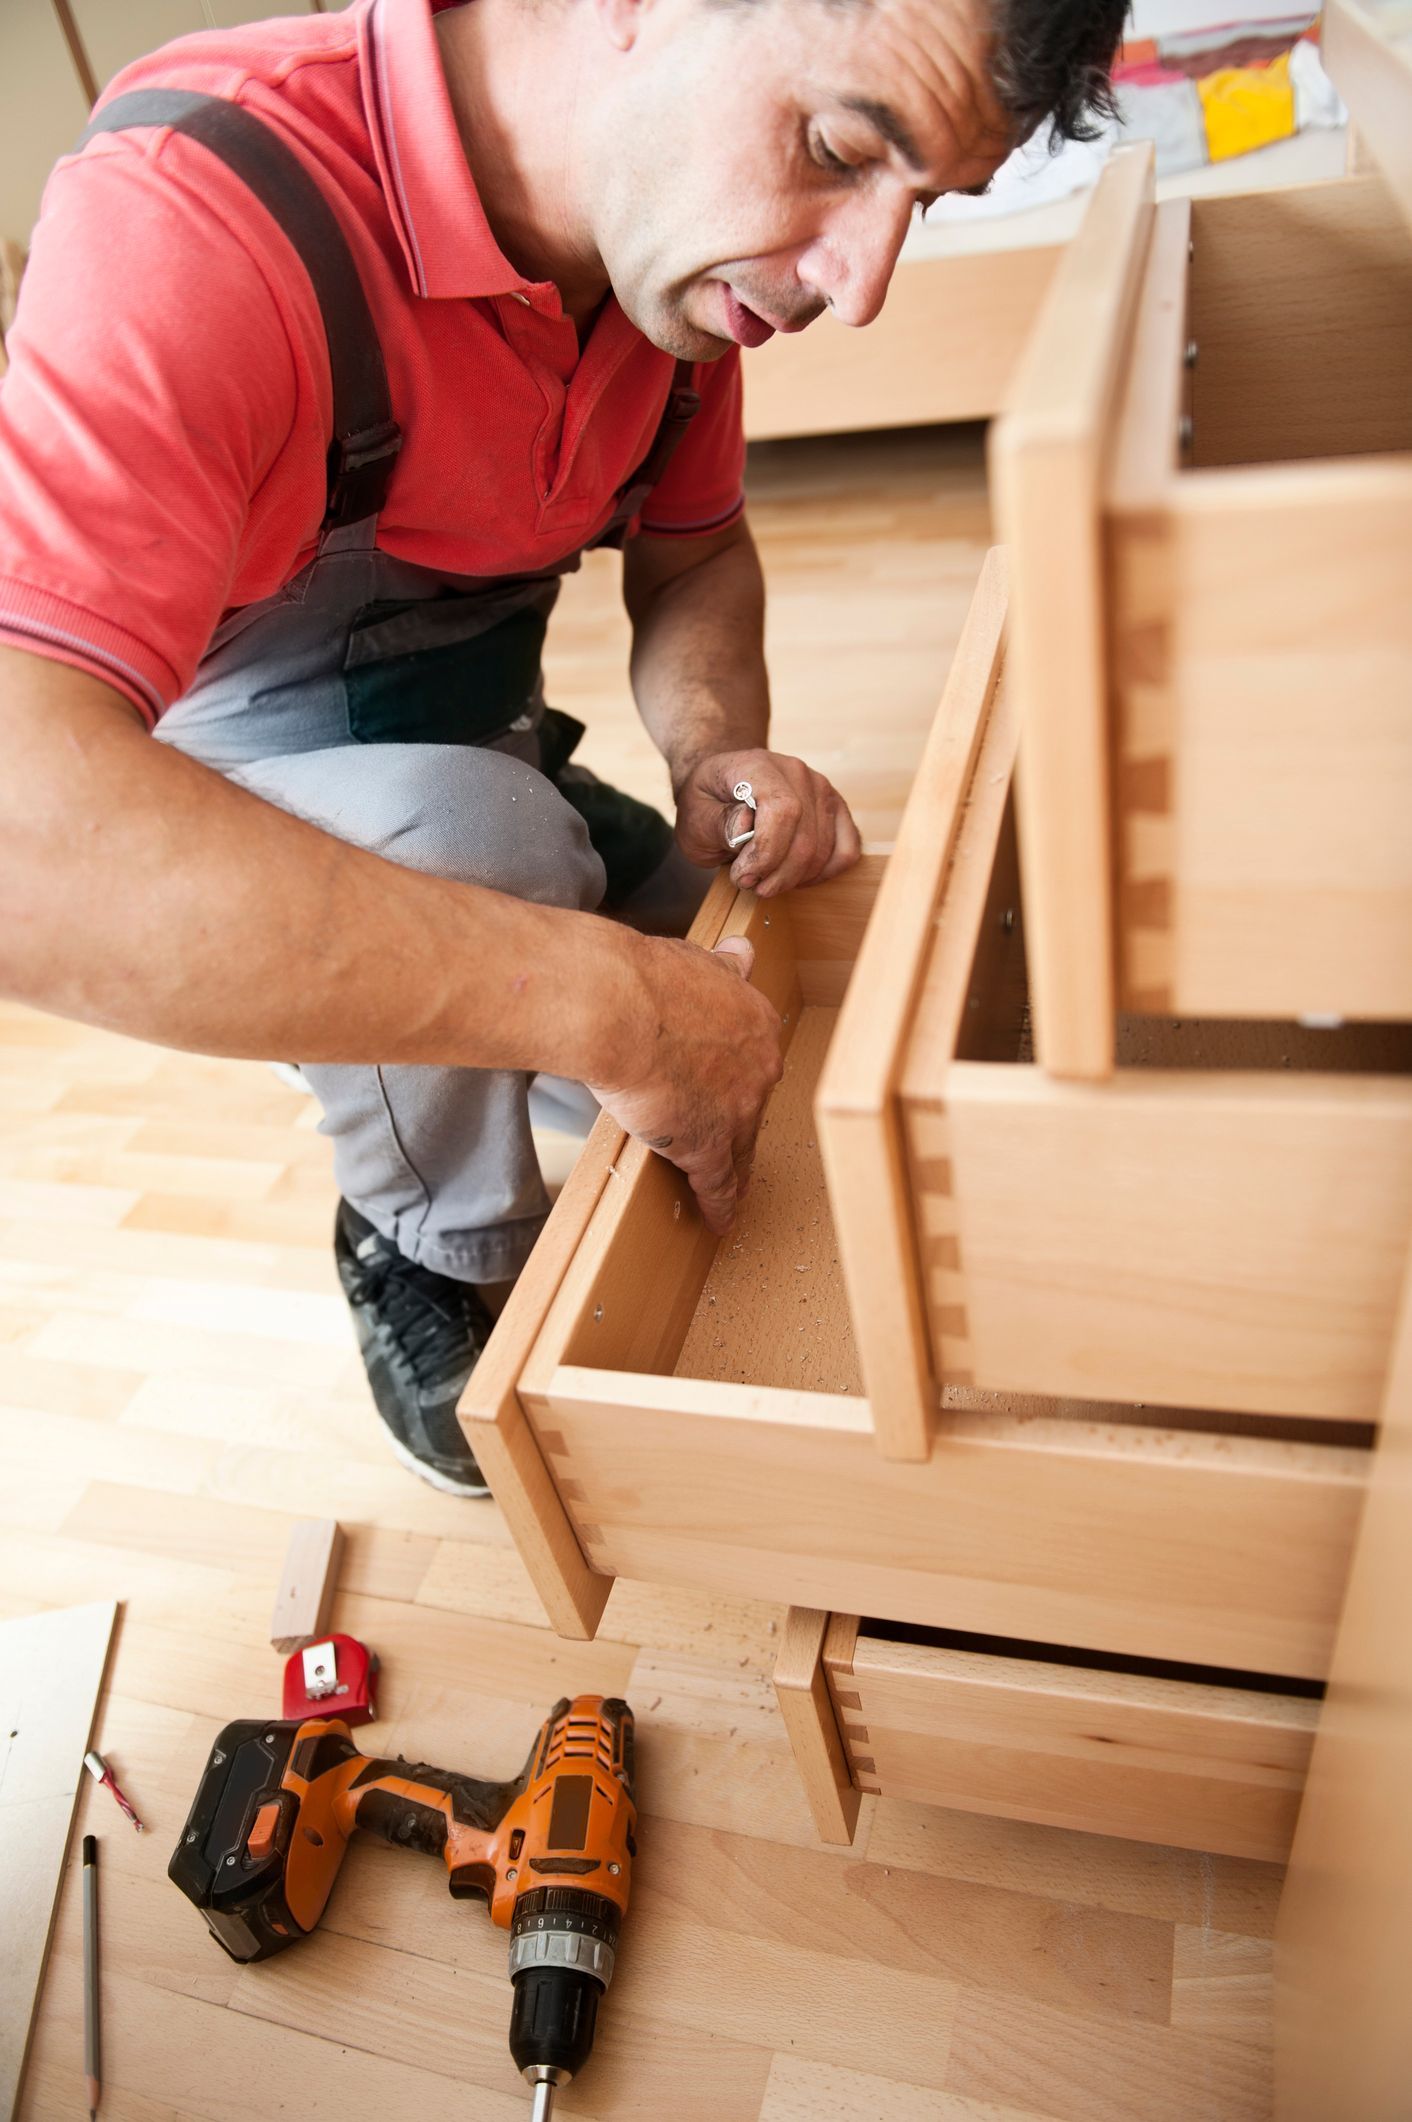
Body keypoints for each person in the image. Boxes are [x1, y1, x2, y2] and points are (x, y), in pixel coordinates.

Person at [0, 0, 1126, 1496]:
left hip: (475, 738)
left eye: (922, 207)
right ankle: (416, 1235)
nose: (858, 284)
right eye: (843, 151)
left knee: (742, 913)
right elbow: (26, 835)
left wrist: (716, 746)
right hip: (215, 801)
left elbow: (699, 561)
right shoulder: (205, 215)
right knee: (493, 850)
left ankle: (528, 846)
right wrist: (605, 1009)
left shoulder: (678, 263)